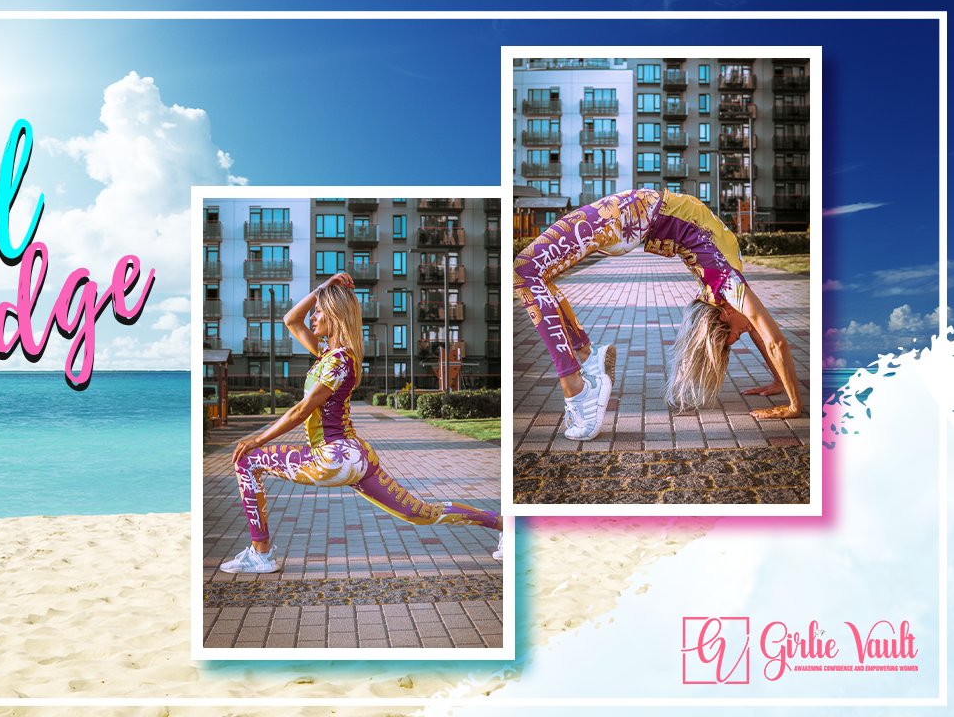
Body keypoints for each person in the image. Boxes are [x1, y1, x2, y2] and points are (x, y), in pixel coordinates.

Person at [220, 272, 502, 574]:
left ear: (335, 316)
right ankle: (503, 525)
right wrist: (323, 289)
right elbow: (291, 320)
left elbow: (301, 411)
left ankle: (261, 554)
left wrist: (258, 440)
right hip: (354, 456)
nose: (313, 316)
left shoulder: (340, 360)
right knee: (420, 513)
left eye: (319, 312)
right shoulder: (328, 354)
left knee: (247, 460)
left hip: (332, 456)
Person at [513, 188, 803, 442]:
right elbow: (774, 341)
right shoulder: (729, 285)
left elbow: (762, 336)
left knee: (526, 272)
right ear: (726, 315)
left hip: (632, 214)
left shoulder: (723, 290)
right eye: (737, 335)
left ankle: (582, 372)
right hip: (631, 213)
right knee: (530, 273)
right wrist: (793, 403)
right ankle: (584, 369)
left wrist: (782, 383)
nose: (745, 332)